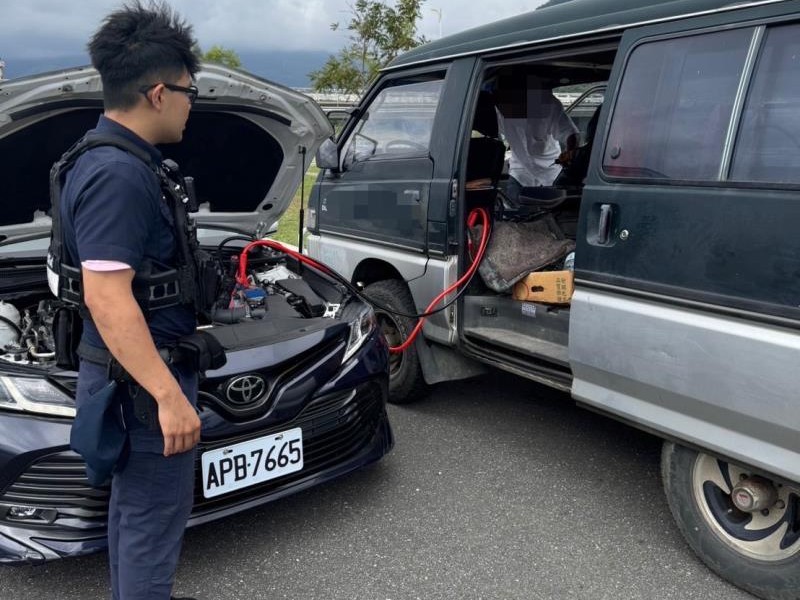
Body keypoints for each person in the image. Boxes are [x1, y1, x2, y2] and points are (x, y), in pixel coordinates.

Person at [56, 3, 202, 598]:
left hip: (124, 378)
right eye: (193, 92)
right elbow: (108, 299)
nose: (196, 105)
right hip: (142, 387)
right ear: (160, 93)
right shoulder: (118, 173)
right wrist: (169, 397)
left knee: (133, 512)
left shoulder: (106, 159)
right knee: (150, 524)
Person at [495, 74, 579, 202]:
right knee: (513, 210)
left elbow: (571, 133)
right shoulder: (498, 110)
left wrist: (570, 152)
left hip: (550, 171)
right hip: (520, 171)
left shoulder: (548, 105)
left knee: (551, 214)